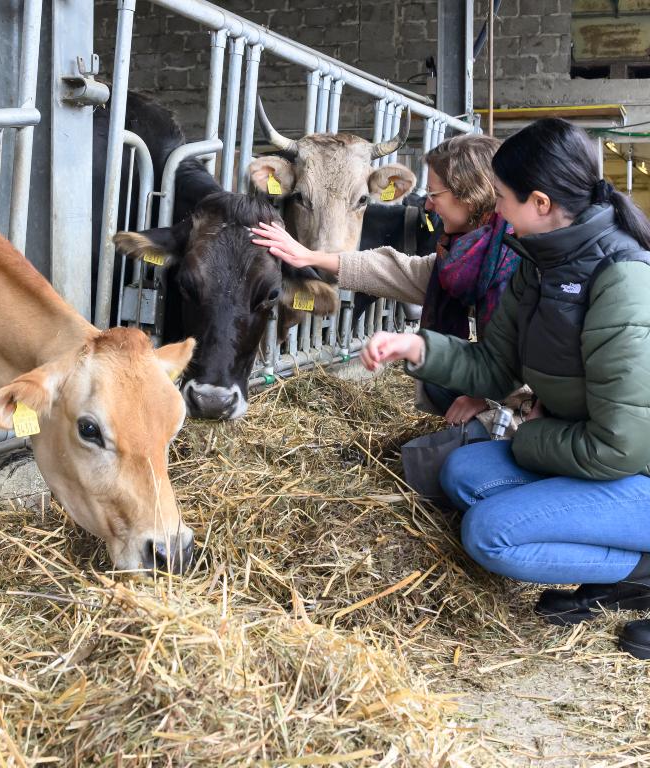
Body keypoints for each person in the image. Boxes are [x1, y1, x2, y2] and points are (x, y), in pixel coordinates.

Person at [356, 118, 650, 660]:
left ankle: (641, 573)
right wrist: (417, 348)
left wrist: (528, 437)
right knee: (463, 473)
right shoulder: (537, 263)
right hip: (590, 448)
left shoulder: (622, 278)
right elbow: (496, 366)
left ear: (540, 203)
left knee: (490, 534)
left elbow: (621, 447)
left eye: (501, 198)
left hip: (635, 469)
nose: (495, 209)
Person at [251, 134, 520, 427]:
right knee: (436, 386)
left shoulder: (520, 264)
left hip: (529, 411)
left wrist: (490, 399)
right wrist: (311, 256)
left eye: (434, 195)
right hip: (499, 386)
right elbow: (396, 271)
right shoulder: (469, 256)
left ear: (469, 196)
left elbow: (542, 363)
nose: (427, 206)